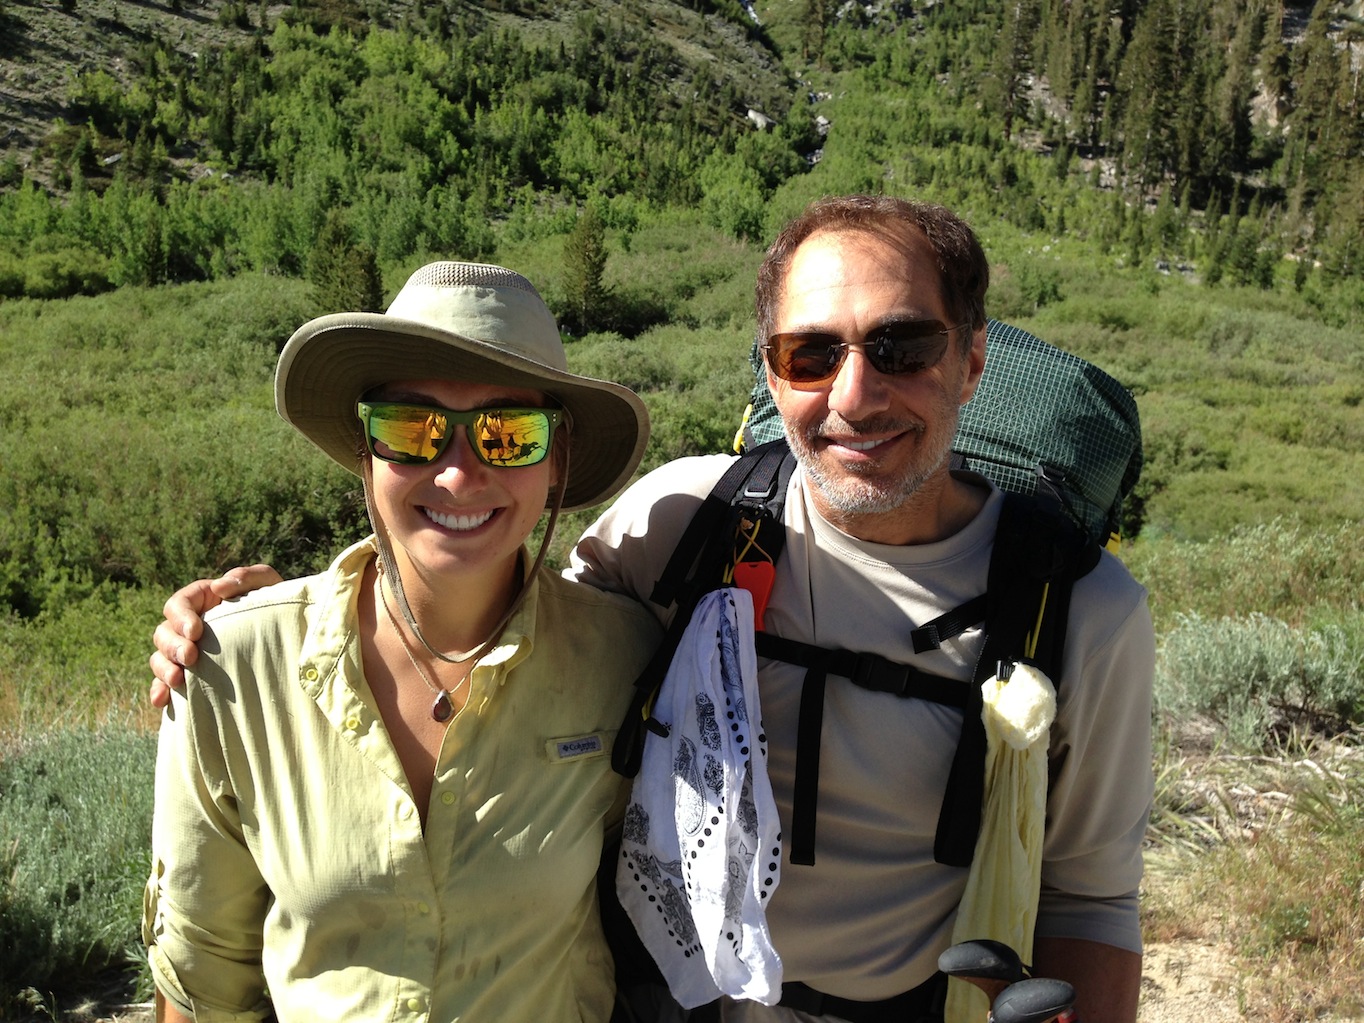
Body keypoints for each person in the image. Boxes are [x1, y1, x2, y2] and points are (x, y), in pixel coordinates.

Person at [151, 196, 1154, 1023]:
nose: (854, 393)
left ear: (970, 362)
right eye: (809, 355)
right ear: (768, 370)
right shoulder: (685, 525)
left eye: (900, 347)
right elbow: (479, 592)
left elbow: (1091, 899)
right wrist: (260, 626)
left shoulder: (1076, 611)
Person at [142, 260, 662, 1023]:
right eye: (412, 428)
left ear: (556, 460)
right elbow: (200, 980)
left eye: (508, 433)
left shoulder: (622, 659)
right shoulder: (233, 668)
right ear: (365, 449)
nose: (458, 473)